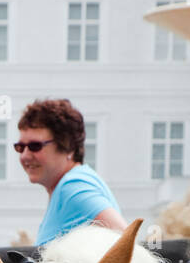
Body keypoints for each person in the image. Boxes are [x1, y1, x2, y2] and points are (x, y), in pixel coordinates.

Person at [16, 98, 126, 245]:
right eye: (20, 147)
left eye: (35, 146)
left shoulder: (73, 187)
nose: (24, 156)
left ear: (68, 147)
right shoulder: (66, 187)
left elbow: (125, 240)